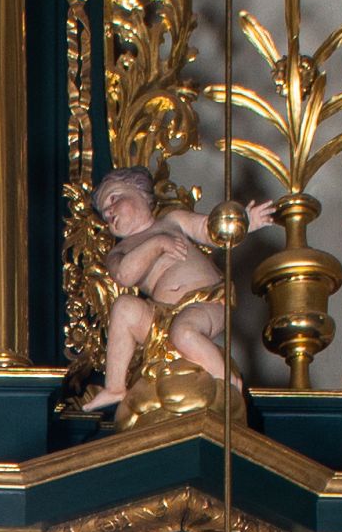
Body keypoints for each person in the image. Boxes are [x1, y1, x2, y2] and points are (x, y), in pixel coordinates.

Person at [90, 167, 273, 417]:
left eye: (113, 199)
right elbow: (124, 274)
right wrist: (157, 244)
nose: (109, 212)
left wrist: (245, 222)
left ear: (141, 192)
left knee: (185, 333)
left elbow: (209, 230)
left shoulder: (172, 221)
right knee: (124, 306)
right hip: (162, 318)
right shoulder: (119, 251)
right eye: (104, 213)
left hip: (205, 301)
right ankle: (114, 387)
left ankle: (227, 383)